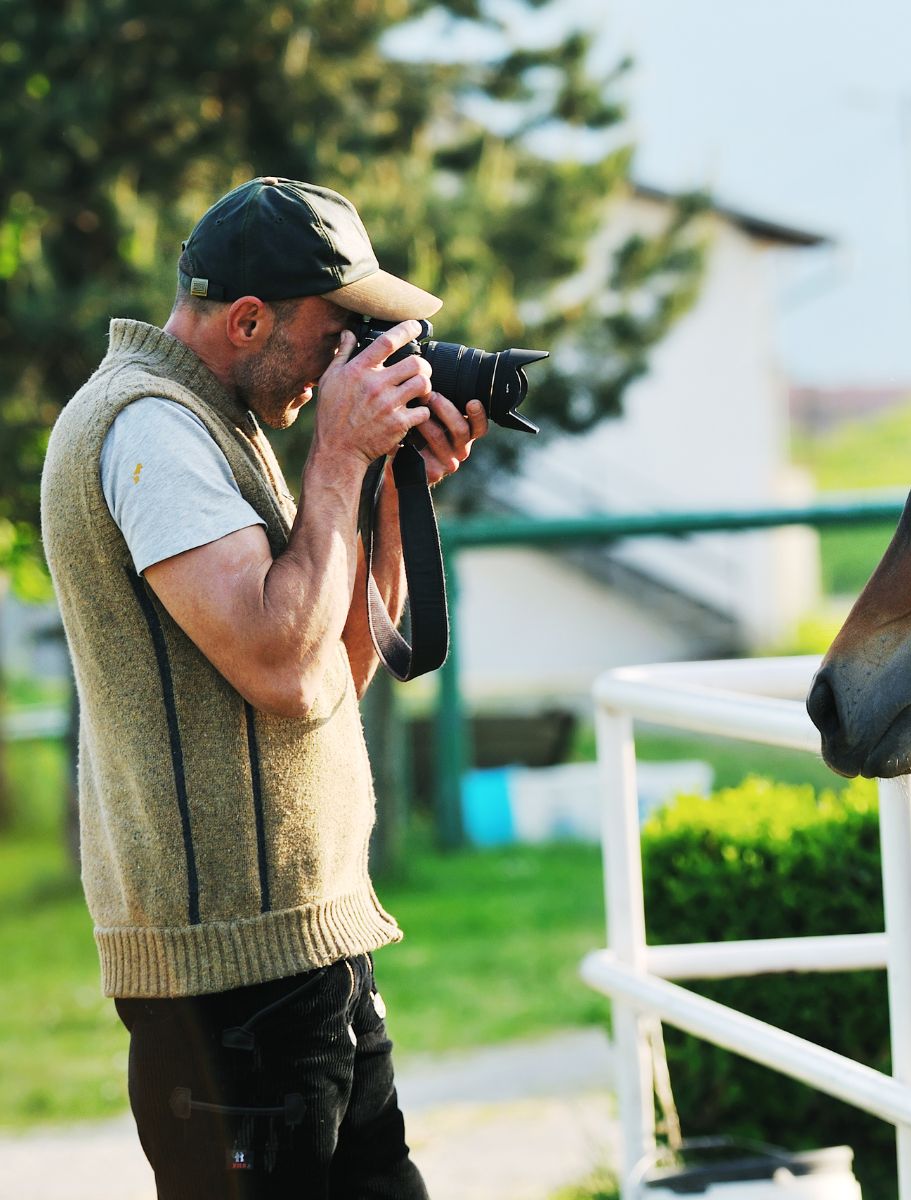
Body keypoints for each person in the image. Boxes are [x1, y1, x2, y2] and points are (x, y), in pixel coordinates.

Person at [40, 177, 489, 1198]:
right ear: (249, 319)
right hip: (232, 988)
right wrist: (336, 453)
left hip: (304, 959)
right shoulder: (149, 430)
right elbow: (281, 672)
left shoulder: (217, 424)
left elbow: (333, 673)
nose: (352, 363)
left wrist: (381, 500)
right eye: (339, 336)